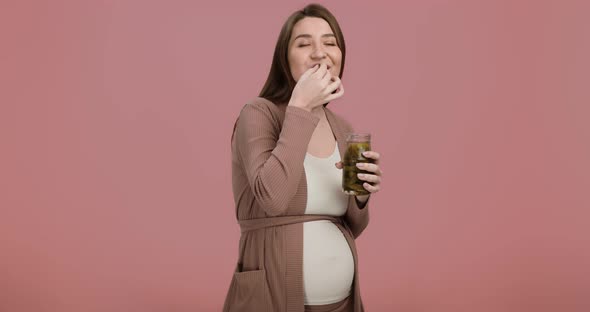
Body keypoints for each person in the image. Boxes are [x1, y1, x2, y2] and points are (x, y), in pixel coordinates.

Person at [223, 4, 383, 312]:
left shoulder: (343, 129)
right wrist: (299, 108)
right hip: (272, 299)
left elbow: (353, 226)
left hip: (343, 304)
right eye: (304, 43)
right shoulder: (258, 114)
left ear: (341, 56)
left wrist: (361, 195)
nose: (319, 52)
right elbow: (273, 197)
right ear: (284, 58)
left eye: (330, 42)